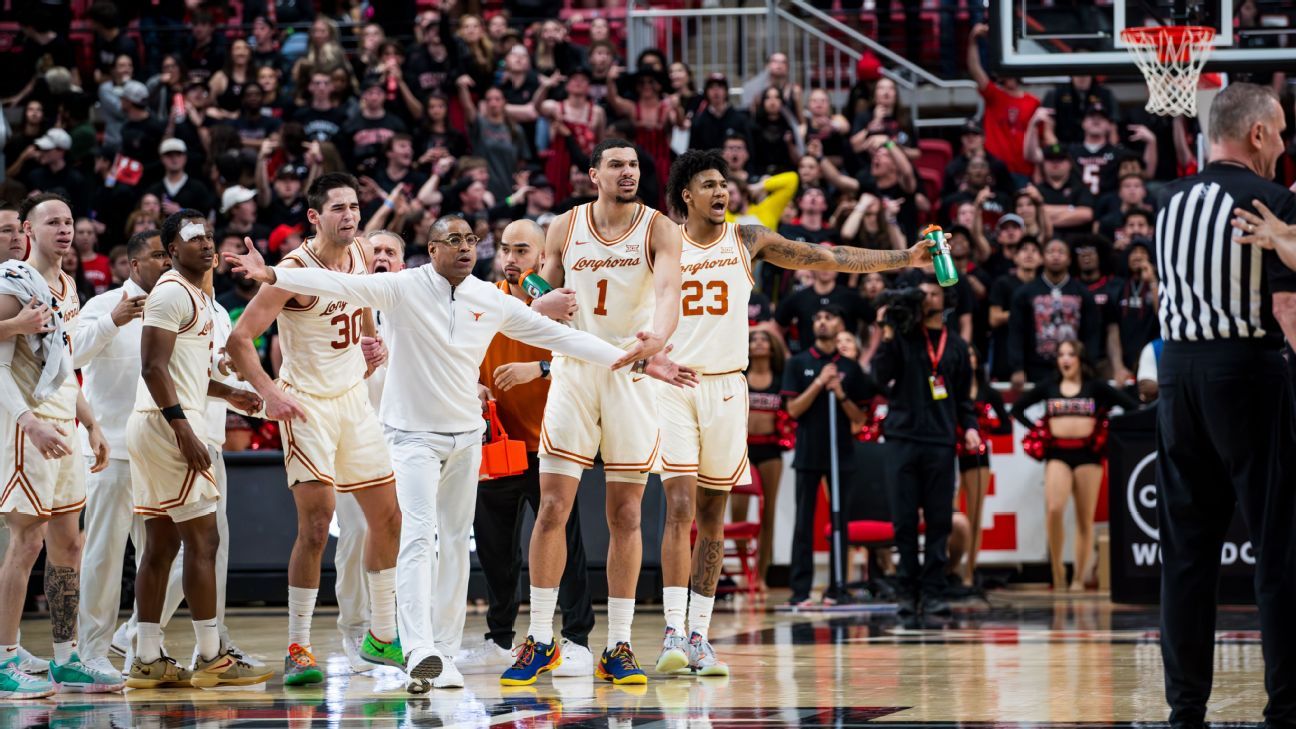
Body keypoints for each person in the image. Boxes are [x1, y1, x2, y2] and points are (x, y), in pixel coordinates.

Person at [223, 213, 693, 693]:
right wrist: (274, 275)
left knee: (453, 547)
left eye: (472, 239)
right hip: (411, 437)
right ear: (432, 250)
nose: (466, 247)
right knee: (418, 537)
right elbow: (334, 283)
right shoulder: (403, 287)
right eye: (454, 240)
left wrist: (639, 359)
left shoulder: (487, 297)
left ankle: (443, 652)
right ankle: (419, 648)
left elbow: (563, 337)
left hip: (467, 437)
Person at [655, 149, 925, 667]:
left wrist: (904, 257)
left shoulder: (748, 238)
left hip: (729, 388)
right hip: (675, 384)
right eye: (709, 185)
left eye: (724, 185)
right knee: (681, 507)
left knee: (712, 512)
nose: (721, 193)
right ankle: (671, 630)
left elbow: (828, 256)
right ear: (686, 195)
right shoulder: (662, 240)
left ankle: (699, 636)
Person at [505, 139, 682, 688]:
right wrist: (541, 300)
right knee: (553, 506)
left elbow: (671, 290)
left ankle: (619, 644)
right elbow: (539, 282)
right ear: (593, 174)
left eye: (633, 165)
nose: (629, 172)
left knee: (626, 516)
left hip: (629, 373)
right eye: (617, 165)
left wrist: (660, 335)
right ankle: (539, 640)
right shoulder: (564, 225)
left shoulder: (659, 228)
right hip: (576, 373)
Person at [224, 173, 402, 685]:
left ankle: (382, 636)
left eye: (354, 206)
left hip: (352, 401)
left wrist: (371, 340)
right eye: (338, 208)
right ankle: (298, 645)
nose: (350, 215)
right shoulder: (293, 271)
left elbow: (365, 298)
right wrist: (270, 392)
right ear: (314, 217)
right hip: (306, 407)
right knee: (318, 523)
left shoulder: (364, 252)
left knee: (387, 518)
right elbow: (240, 339)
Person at [1157, 82, 1296, 729]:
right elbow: (1288, 308)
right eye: (1282, 133)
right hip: (1247, 371)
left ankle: (1185, 709)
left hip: (1177, 374)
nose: (1285, 145)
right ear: (1259, 133)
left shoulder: (1169, 203)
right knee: (1278, 545)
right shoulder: (1271, 201)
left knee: (1186, 549)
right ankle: (1288, 704)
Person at [124, 211, 268, 690]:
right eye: (193, 239)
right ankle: (212, 655)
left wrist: (228, 394)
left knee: (162, 544)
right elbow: (152, 367)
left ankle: (147, 657)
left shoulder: (201, 299)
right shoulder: (169, 292)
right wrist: (183, 429)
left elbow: (182, 372)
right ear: (170, 252)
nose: (206, 245)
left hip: (160, 424)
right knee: (203, 542)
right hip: (168, 428)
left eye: (209, 236)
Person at [457, 220, 596, 679]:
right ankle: (500, 640)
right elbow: (461, 355)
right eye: (505, 249)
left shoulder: (561, 301)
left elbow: (590, 353)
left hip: (552, 443)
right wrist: (474, 385)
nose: (512, 258)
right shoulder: (484, 298)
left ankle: (576, 638)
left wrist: (538, 367)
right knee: (496, 550)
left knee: (566, 544)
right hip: (498, 443)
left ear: (542, 258)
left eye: (522, 250)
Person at [0, 194, 115, 698]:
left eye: (69, 221)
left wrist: (89, 422)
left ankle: (67, 657)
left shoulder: (68, 285)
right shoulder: (13, 284)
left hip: (65, 424)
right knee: (26, 544)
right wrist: (29, 423)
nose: (64, 229)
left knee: (70, 544)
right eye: (53, 222)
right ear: (29, 229)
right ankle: (4, 661)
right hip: (28, 428)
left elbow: (66, 365)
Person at [73, 231, 164, 674]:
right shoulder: (101, 304)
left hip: (162, 453)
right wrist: (113, 320)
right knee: (104, 555)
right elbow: (69, 353)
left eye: (169, 255)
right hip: (112, 451)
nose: (166, 262)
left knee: (174, 556)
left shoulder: (177, 306)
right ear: (133, 265)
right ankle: (90, 652)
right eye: (157, 255)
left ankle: (136, 635)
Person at [872, 277, 982, 622]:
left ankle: (934, 590)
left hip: (940, 441)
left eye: (933, 292)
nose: (926, 297)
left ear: (944, 299)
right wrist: (886, 334)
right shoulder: (902, 336)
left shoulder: (958, 347)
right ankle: (907, 590)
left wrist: (972, 429)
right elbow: (879, 376)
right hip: (902, 438)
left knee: (939, 521)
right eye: (921, 293)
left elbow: (964, 398)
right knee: (904, 521)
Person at [1010, 339, 1138, 590]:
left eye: (1071, 354)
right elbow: (1017, 409)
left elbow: (1131, 406)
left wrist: (1106, 428)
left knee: (1084, 517)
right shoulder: (1049, 386)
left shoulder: (1096, 387)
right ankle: (1057, 570)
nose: (1065, 359)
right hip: (1057, 453)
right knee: (1055, 509)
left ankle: (1079, 577)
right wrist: (1038, 430)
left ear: (1080, 359)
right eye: (1061, 355)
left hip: (1088, 455)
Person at [782, 306, 876, 606]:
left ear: (840, 324)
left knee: (841, 522)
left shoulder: (850, 368)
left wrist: (840, 392)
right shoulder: (798, 363)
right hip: (809, 453)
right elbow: (793, 409)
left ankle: (838, 588)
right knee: (803, 523)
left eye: (829, 318)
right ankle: (800, 591)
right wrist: (819, 383)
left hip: (842, 455)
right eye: (818, 318)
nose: (822, 321)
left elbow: (859, 419)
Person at [1008, 239, 1100, 387]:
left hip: (1074, 369)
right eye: (1051, 252)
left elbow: (1092, 333)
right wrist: (1017, 367)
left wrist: (1088, 365)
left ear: (1070, 259)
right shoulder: (1024, 293)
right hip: (1035, 369)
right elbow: (1016, 332)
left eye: (1061, 252)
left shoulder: (1083, 293)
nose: (1056, 256)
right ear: (1043, 258)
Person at [739, 328, 788, 596]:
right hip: (742, 449)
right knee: (736, 512)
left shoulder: (780, 379)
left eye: (763, 340)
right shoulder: (740, 376)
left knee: (767, 513)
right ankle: (745, 571)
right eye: (753, 339)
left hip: (770, 449)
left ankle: (761, 574)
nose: (758, 343)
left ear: (772, 347)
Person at [956, 346, 1009, 586]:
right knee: (950, 515)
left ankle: (969, 572)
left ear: (977, 361)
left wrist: (986, 429)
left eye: (972, 355)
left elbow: (1006, 426)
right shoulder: (953, 387)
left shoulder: (989, 392)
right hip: (950, 454)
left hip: (977, 456)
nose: (969, 359)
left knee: (976, 515)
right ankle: (952, 568)